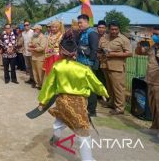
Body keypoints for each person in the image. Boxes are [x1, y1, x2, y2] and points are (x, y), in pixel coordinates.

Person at [37, 31, 109, 161]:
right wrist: (103, 92)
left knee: (60, 120)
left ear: (61, 51)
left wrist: (43, 102)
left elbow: (49, 86)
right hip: (79, 103)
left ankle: (55, 140)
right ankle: (87, 159)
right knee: (83, 131)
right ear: (75, 52)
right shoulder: (84, 68)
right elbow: (95, 83)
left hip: (62, 100)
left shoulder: (57, 67)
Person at [99, 21, 132, 115]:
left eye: (116, 29)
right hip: (105, 65)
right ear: (109, 29)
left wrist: (113, 54)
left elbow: (129, 53)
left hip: (117, 67)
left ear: (119, 29)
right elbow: (100, 49)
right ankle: (111, 103)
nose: (113, 31)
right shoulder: (104, 37)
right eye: (112, 29)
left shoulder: (123, 39)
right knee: (110, 87)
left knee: (118, 88)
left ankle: (120, 108)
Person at [76, 14, 99, 117]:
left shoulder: (92, 33)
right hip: (80, 63)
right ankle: (83, 106)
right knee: (82, 86)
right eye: (78, 23)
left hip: (88, 65)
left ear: (87, 22)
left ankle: (92, 110)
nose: (79, 24)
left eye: (80, 22)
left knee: (90, 87)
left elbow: (94, 50)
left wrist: (90, 63)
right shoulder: (81, 33)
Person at [29, 25, 46, 90]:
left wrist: (33, 48)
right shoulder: (34, 36)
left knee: (40, 72)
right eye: (33, 29)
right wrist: (31, 46)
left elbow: (42, 48)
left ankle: (41, 85)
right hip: (34, 56)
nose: (34, 31)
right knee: (35, 71)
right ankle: (37, 84)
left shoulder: (43, 37)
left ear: (39, 30)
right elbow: (30, 43)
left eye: (35, 29)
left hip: (40, 57)